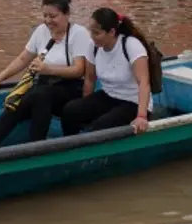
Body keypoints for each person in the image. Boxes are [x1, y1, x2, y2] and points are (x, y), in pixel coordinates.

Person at [0, 0, 93, 153]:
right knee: (18, 103)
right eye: (45, 16)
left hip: (69, 90)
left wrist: (49, 69)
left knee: (40, 95)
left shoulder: (79, 34)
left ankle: (36, 147)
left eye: (53, 16)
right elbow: (23, 59)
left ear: (67, 14)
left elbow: (78, 70)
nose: (48, 21)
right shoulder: (41, 31)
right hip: (44, 87)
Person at [60, 8, 153, 136]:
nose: (92, 37)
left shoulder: (131, 46)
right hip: (109, 96)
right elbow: (90, 79)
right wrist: (86, 107)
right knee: (70, 110)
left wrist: (141, 116)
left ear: (111, 32)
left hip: (133, 102)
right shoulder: (93, 46)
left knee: (101, 126)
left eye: (97, 33)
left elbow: (144, 83)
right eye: (91, 32)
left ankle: (92, 152)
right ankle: (70, 146)